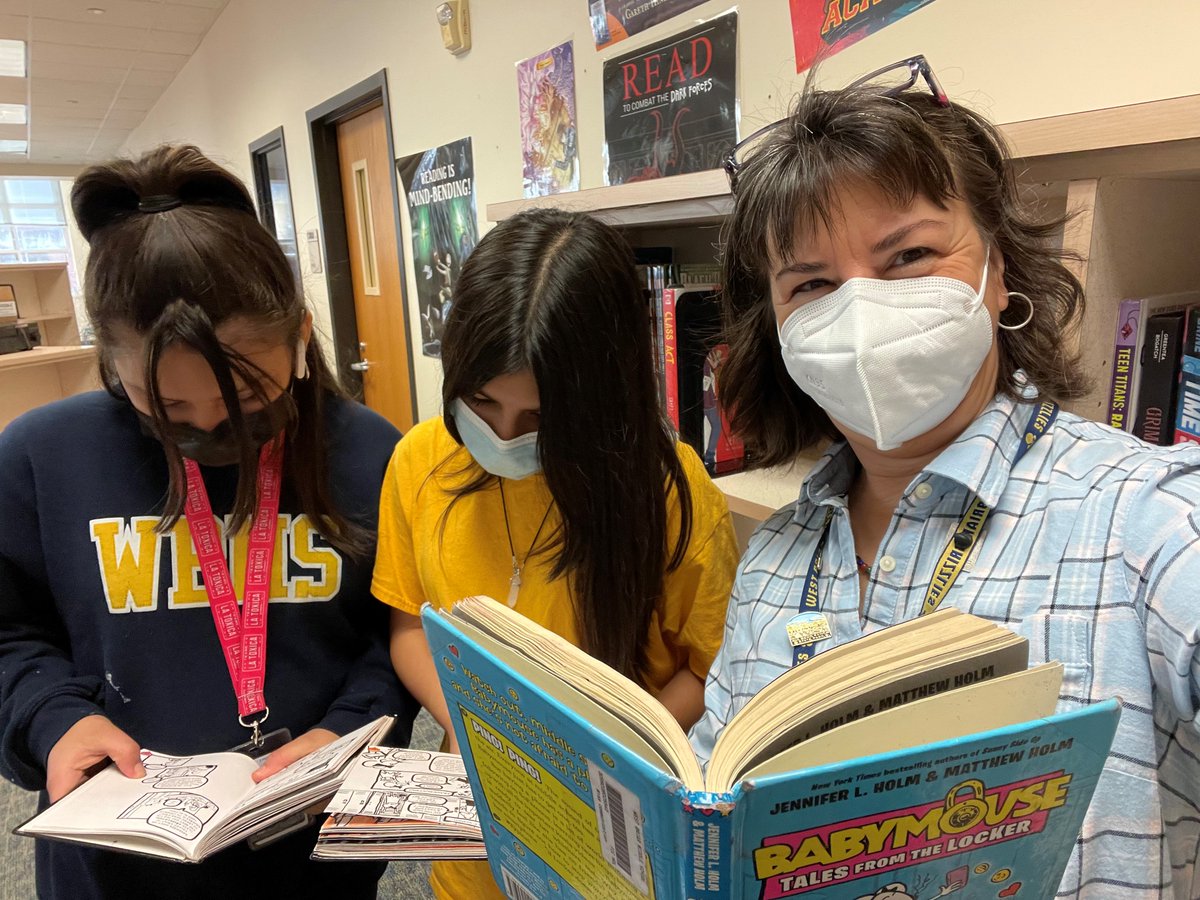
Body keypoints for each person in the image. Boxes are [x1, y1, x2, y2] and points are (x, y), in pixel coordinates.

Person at [689, 56, 1200, 900]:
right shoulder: (776, 556)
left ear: (998, 274)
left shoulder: (1143, 520)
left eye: (908, 255)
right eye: (811, 283)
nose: (859, 310)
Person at [0, 145, 415, 899]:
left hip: (310, 847)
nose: (212, 427)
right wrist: (50, 718)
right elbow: (8, 634)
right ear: (112, 366)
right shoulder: (39, 456)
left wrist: (350, 728)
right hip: (116, 864)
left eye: (245, 397)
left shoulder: (368, 452)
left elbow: (399, 635)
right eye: (170, 410)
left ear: (297, 337)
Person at [372, 208, 740, 900]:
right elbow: (409, 624)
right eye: (480, 403)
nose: (502, 435)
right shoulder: (420, 459)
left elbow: (707, 673)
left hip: (610, 835)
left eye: (538, 419)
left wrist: (603, 752)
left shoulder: (670, 489)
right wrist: (476, 720)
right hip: (478, 842)